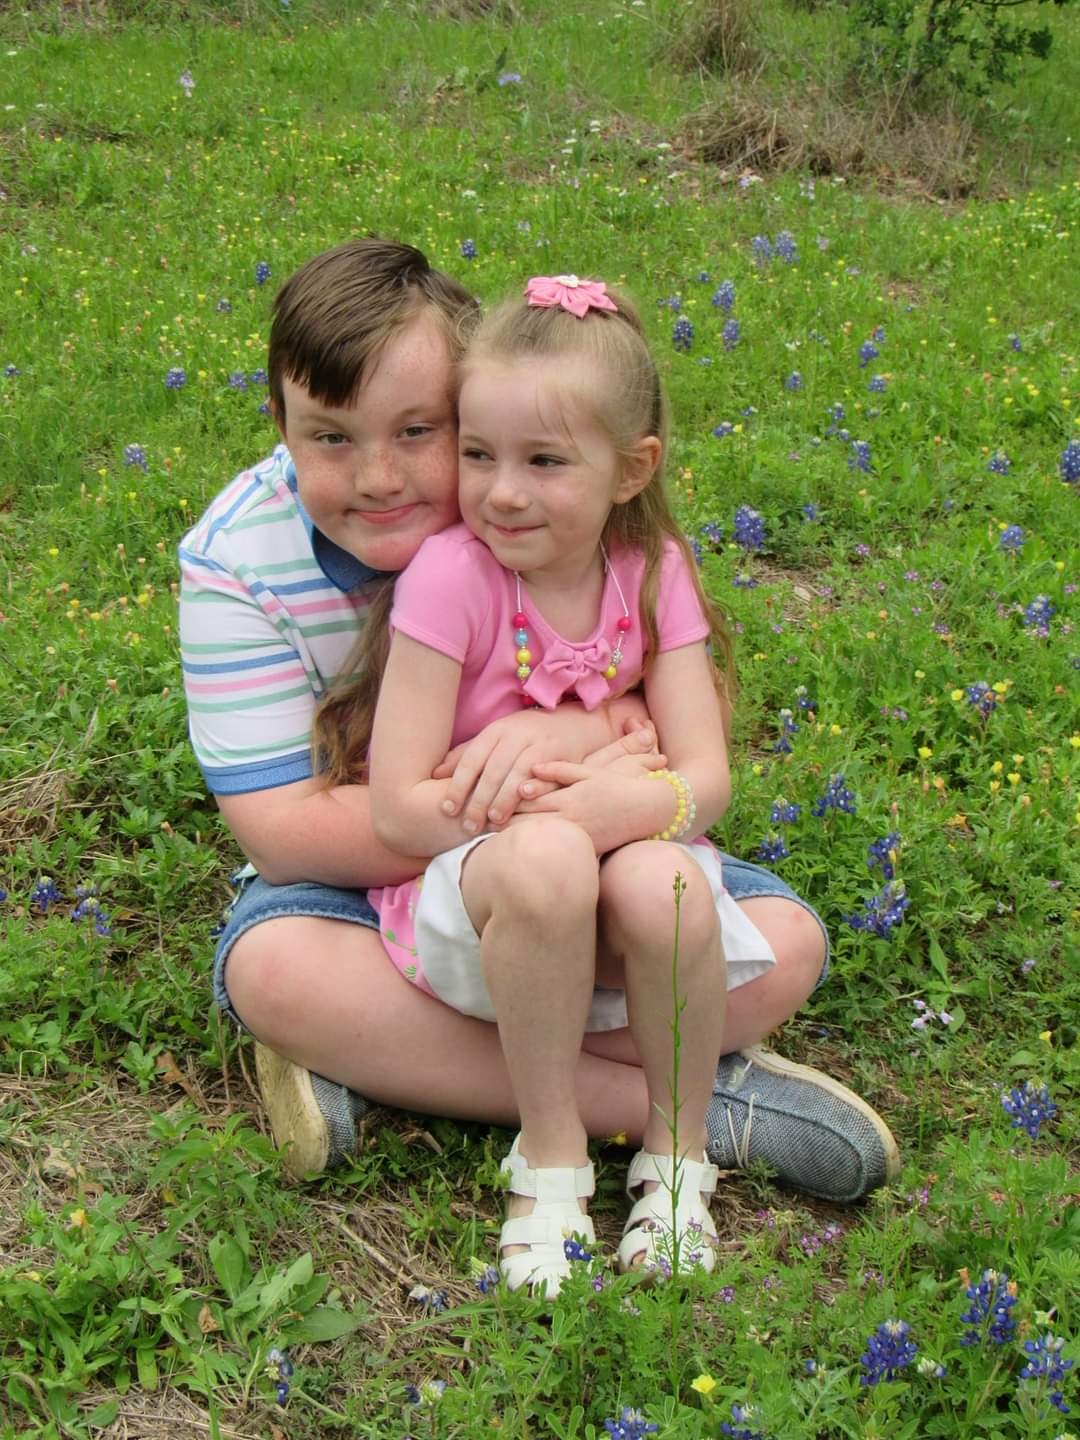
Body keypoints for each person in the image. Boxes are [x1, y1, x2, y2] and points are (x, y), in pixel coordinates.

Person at [178, 238, 899, 1223]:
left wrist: (586, 732)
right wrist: (548, 815)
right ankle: (692, 1107)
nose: (381, 475)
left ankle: (393, 1064)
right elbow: (284, 834)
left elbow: (674, 709)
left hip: (591, 851)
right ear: (282, 426)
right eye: (331, 438)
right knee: (277, 973)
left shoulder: (529, 505)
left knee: (782, 944)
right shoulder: (237, 563)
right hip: (364, 884)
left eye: (424, 431)